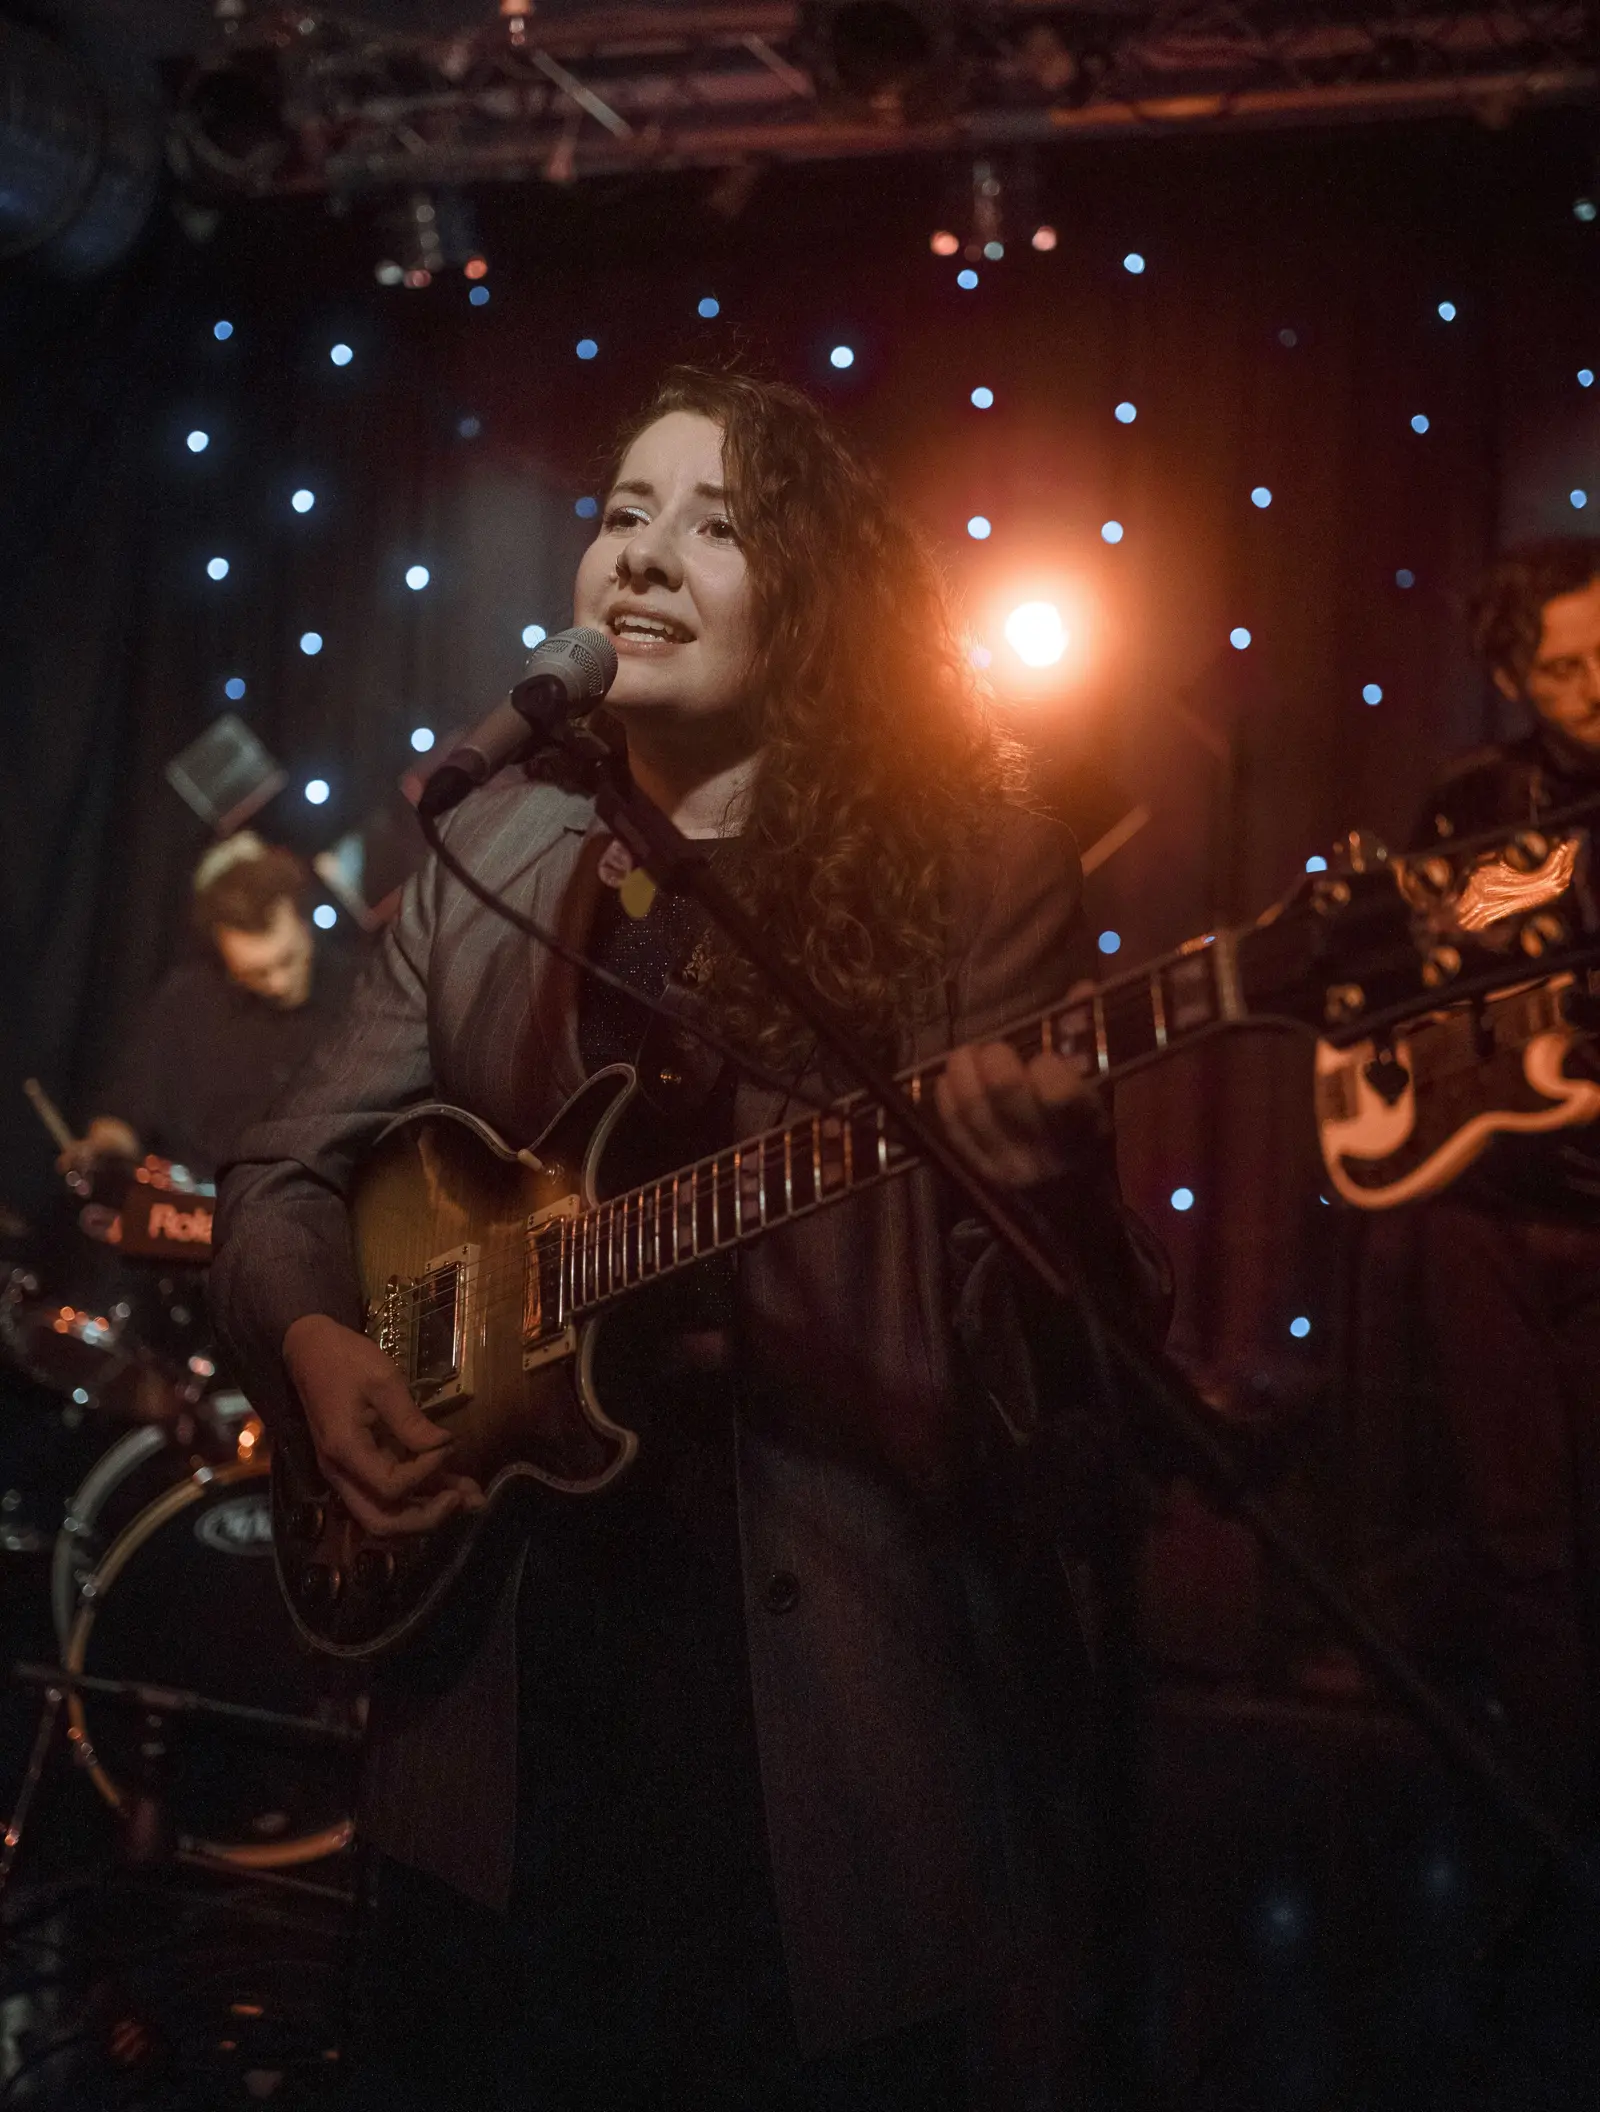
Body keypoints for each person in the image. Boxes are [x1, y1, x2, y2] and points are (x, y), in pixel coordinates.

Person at [210, 369, 1165, 2110]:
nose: (642, 557)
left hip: (819, 1708)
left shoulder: (973, 868)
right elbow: (276, 1175)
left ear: (814, 597)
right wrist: (320, 1348)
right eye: (625, 514)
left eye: (718, 526)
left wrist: (1046, 1185)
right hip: (500, 1689)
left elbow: (1056, 1368)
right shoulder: (492, 844)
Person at [1404, 537, 1600, 1806]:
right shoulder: (1472, 802)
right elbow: (1400, 974)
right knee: (1514, 1535)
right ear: (1515, 675)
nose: (1596, 684)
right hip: (1481, 1209)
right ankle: (1549, 1825)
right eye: (1566, 665)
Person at [63, 834, 359, 1183]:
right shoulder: (187, 1001)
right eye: (256, 973)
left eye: (288, 959)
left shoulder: (362, 993)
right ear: (223, 954)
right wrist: (101, 1148)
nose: (279, 983)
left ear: (306, 925)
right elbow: (127, 1113)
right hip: (199, 1212)